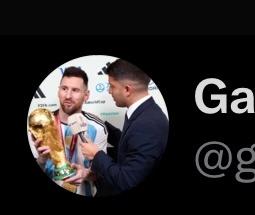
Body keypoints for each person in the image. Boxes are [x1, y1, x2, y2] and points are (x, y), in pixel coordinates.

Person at [74, 61, 167, 196]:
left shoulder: (147, 124)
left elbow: (127, 180)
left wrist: (96, 154)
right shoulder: (144, 112)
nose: (109, 91)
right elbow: (131, 143)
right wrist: (98, 122)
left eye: (112, 86)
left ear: (127, 89)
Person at [31, 68, 107, 198]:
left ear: (86, 95)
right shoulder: (40, 125)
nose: (68, 96)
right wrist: (42, 159)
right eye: (64, 88)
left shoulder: (97, 127)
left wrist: (86, 174)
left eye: (75, 90)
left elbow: (101, 174)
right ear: (58, 91)